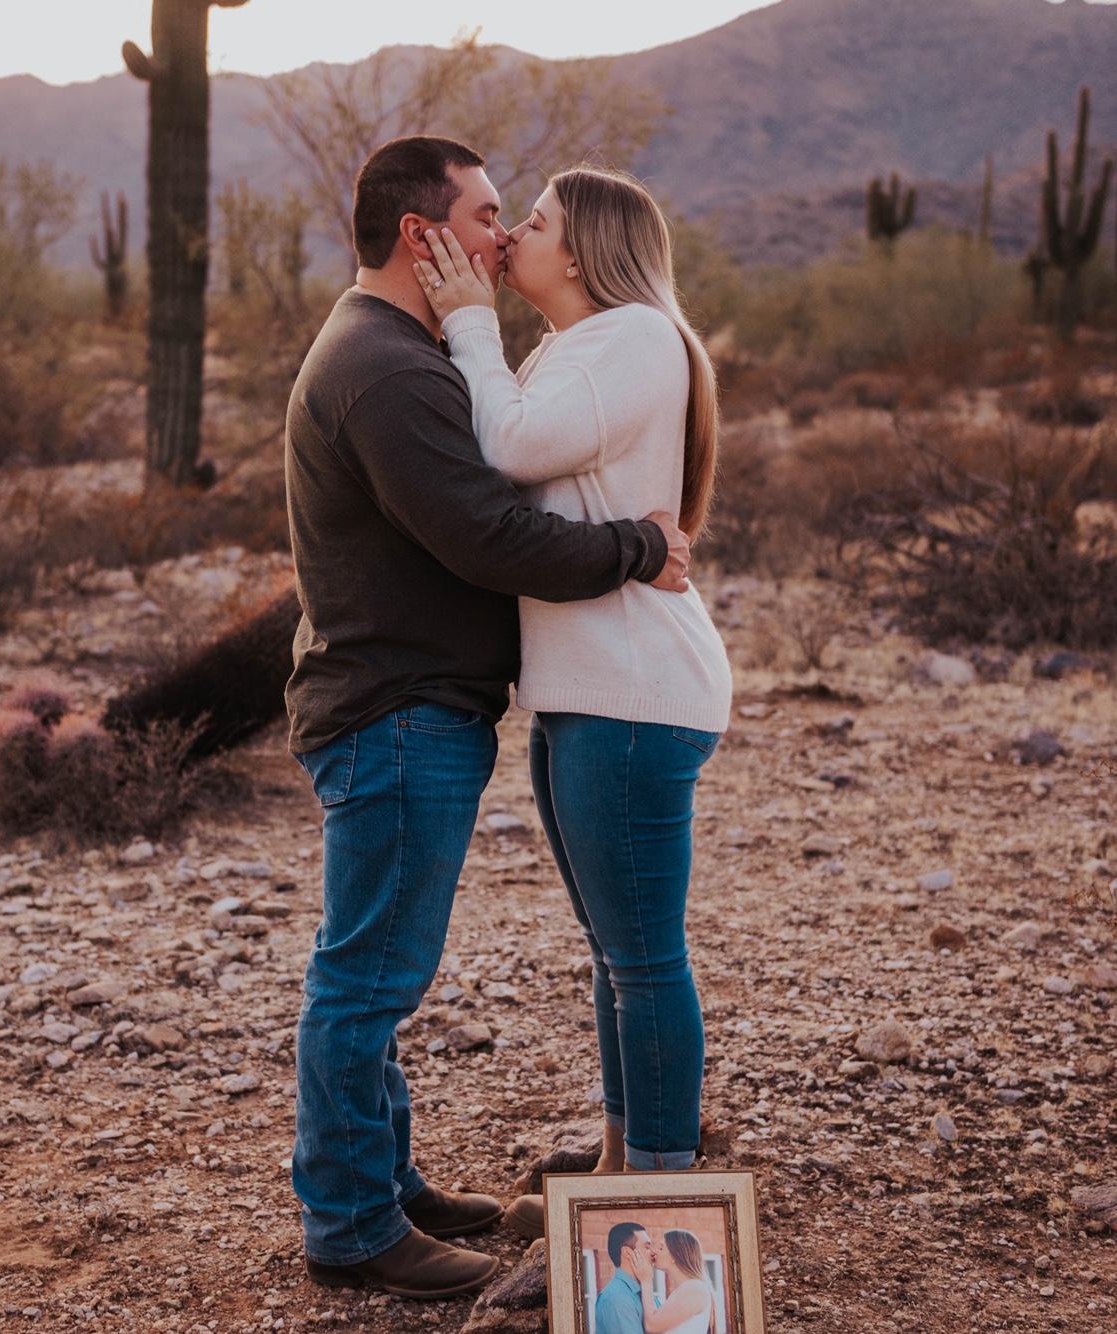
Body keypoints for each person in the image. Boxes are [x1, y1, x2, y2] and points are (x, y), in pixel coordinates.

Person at [285, 136, 694, 1301]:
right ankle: (353, 1227)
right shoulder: (388, 368)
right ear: (423, 236)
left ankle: (385, 1181)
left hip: (405, 702)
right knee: (367, 976)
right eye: (484, 215)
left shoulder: (393, 351)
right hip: (396, 709)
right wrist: (638, 546)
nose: (501, 236)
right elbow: (490, 535)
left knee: (376, 970)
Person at [414, 165, 733, 1242]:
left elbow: (508, 447)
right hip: (585, 689)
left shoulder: (633, 336)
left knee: (643, 956)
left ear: (587, 249)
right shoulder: (572, 346)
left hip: (633, 690)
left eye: (536, 222)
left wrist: (469, 321)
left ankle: (661, 1201)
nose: (512, 236)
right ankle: (617, 1158)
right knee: (614, 948)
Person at [630, 1229, 716, 1334]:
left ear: (675, 1255)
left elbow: (651, 1326)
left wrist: (646, 1280)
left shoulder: (694, 1289)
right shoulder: (686, 1289)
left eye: (661, 1248)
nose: (654, 1251)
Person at [594, 1223, 661, 1334]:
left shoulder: (646, 1291)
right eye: (647, 1247)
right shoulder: (617, 1298)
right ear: (628, 1253)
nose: (653, 1253)